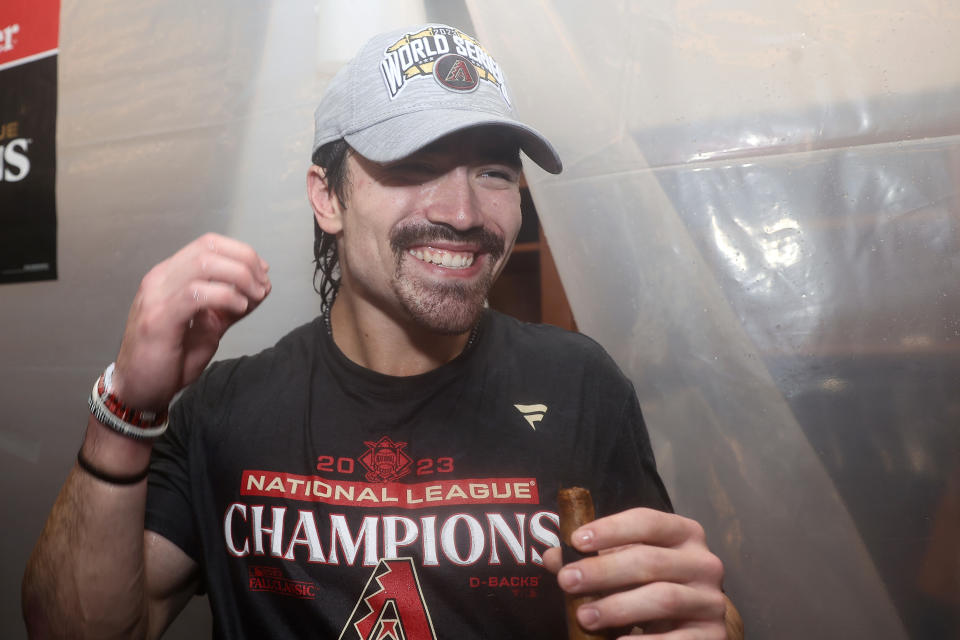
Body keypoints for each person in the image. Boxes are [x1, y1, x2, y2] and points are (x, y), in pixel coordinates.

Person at [23, 23, 742, 639]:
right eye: (414, 166)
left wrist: (710, 624)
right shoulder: (228, 410)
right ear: (326, 198)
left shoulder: (579, 384)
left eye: (494, 172)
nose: (463, 212)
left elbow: (654, 608)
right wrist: (126, 410)